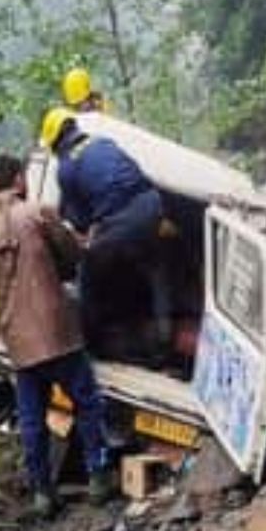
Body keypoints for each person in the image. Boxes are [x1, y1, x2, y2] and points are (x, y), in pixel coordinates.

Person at [0, 154, 110, 518]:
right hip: (56, 331)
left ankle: (43, 493)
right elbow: (70, 253)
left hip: (18, 341)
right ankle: (98, 476)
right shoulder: (39, 212)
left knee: (32, 420)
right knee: (87, 402)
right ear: (20, 180)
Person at [39, 108, 173, 354]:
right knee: (154, 265)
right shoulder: (103, 142)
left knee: (88, 271)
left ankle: (91, 343)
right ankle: (165, 333)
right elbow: (132, 173)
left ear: (56, 142)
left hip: (122, 221)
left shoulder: (67, 167)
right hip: (152, 205)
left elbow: (79, 220)